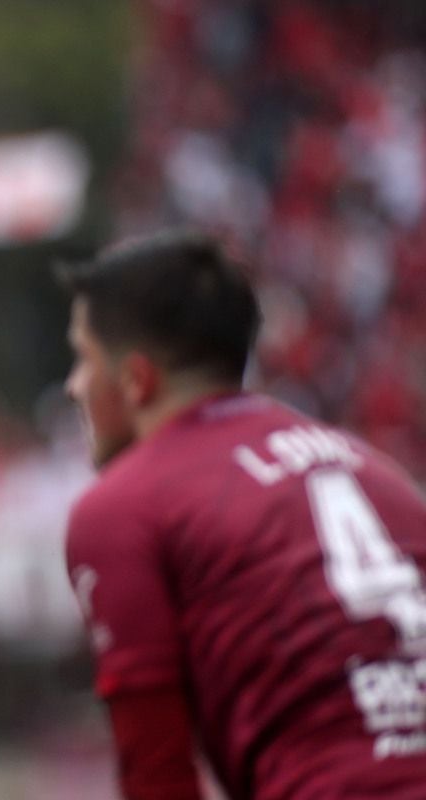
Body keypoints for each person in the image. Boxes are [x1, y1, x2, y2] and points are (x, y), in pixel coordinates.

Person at [59, 230, 426, 799]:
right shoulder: (382, 477)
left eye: (83, 359)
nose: (73, 385)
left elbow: (158, 776)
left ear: (136, 380)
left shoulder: (124, 506)